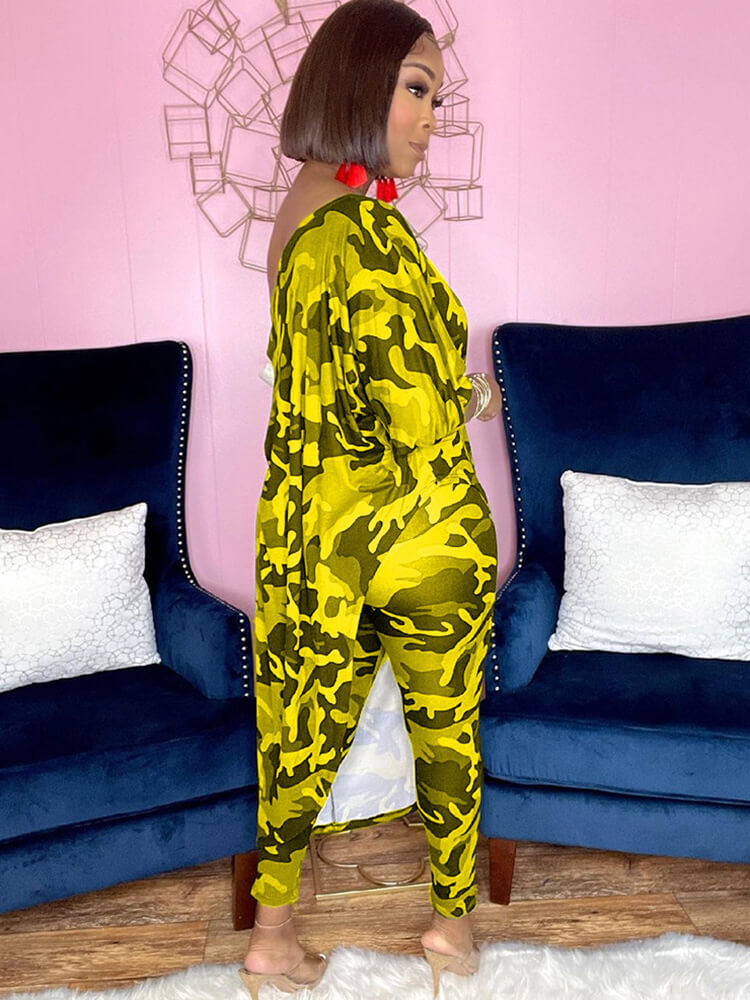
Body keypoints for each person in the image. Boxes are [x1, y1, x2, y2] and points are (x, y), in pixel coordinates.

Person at [240, 1, 502, 996]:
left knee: (299, 735)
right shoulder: (364, 229)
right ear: (358, 82)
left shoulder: (297, 215)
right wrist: (469, 397)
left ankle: (272, 936)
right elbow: (417, 412)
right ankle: (450, 929)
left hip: (310, 529)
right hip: (419, 530)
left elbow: (317, 383)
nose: (433, 117)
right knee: (446, 733)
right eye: (417, 89)